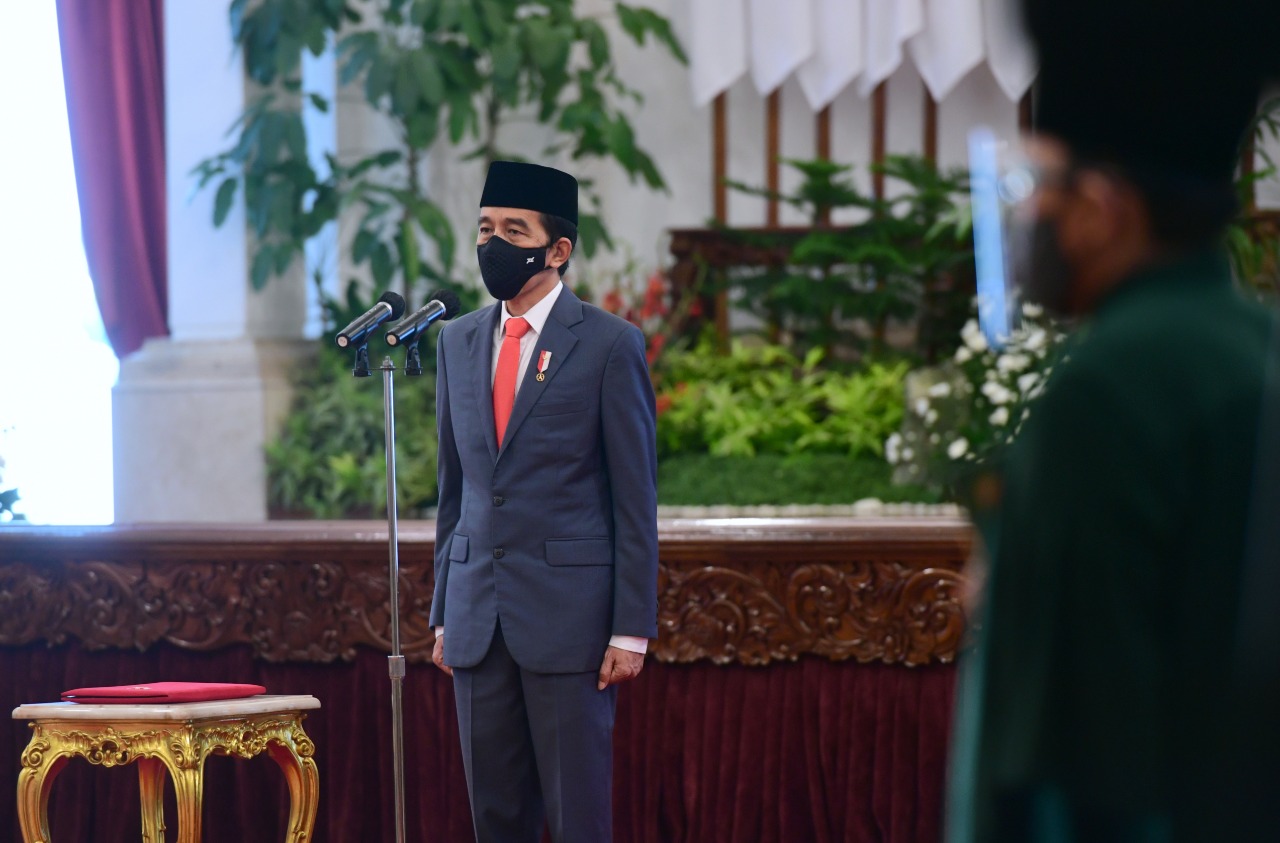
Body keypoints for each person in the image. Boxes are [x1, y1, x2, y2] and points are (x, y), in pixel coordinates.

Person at [947, 2, 1280, 841]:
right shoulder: (1254, 343)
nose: (1025, 219)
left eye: (1039, 187)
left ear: (1100, 207)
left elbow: (1062, 751)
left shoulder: (1109, 389)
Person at [429, 160, 659, 843]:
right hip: (476, 618)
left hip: (571, 624)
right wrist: (444, 606)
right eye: (485, 228)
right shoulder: (457, 340)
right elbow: (454, 489)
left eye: (513, 230)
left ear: (557, 249)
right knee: (495, 819)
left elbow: (635, 498)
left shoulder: (610, 345)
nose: (493, 243)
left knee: (576, 815)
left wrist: (630, 627)